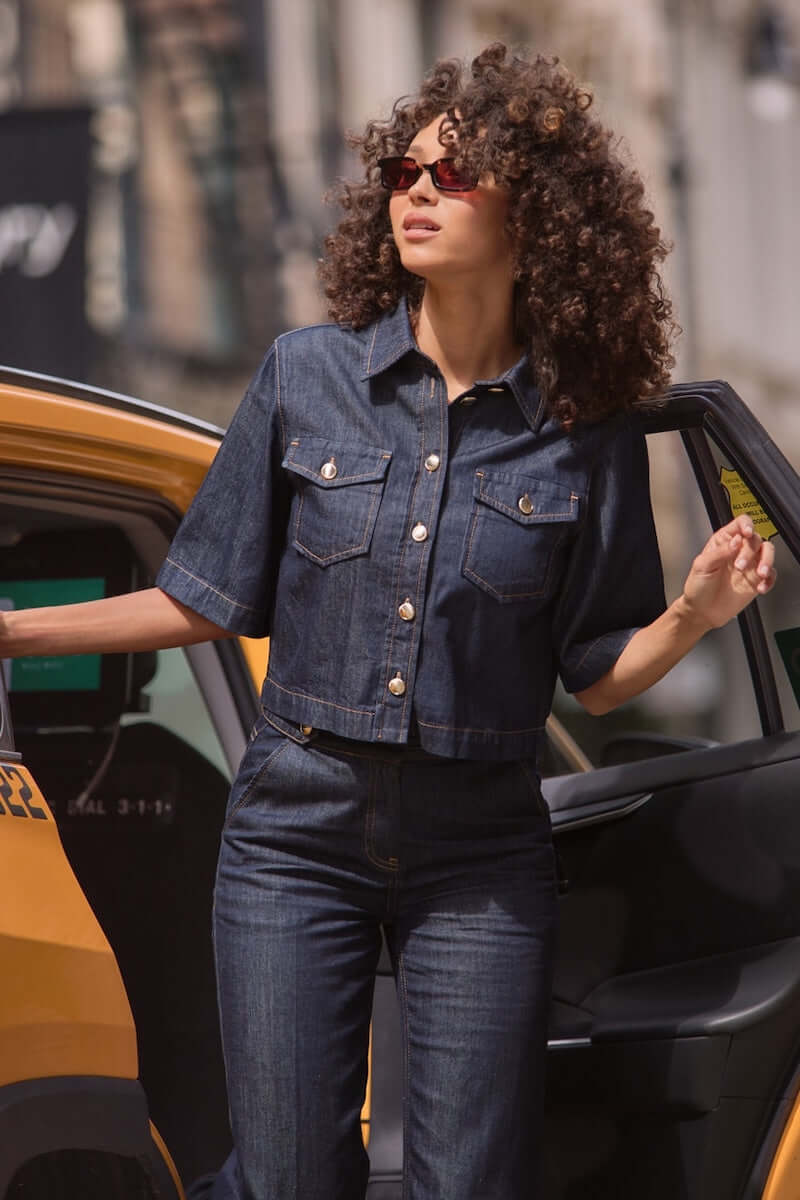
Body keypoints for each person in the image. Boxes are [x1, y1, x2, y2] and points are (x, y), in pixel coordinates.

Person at [0, 43, 776, 1200]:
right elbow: (199, 594)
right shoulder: (302, 377)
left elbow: (598, 677)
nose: (413, 193)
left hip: (480, 853)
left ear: (535, 220)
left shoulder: (585, 430)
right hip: (291, 837)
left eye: (450, 179)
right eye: (404, 173)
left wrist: (693, 613)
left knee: (468, 1182)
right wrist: (11, 634)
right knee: (292, 1180)